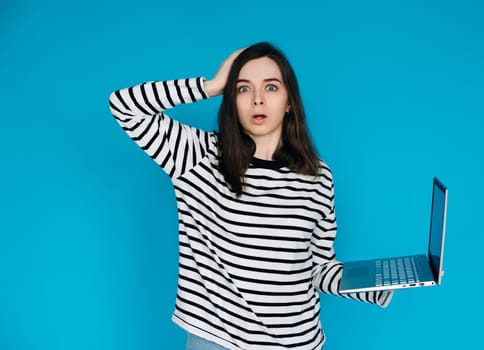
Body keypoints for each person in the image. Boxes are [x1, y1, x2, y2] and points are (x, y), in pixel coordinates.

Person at [109, 42, 392, 350]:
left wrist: (376, 283)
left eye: (271, 87)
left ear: (288, 102)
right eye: (243, 89)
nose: (257, 99)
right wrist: (210, 85)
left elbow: (318, 267)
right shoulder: (197, 156)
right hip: (218, 342)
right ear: (232, 101)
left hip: (300, 343)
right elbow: (124, 106)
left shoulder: (317, 175)